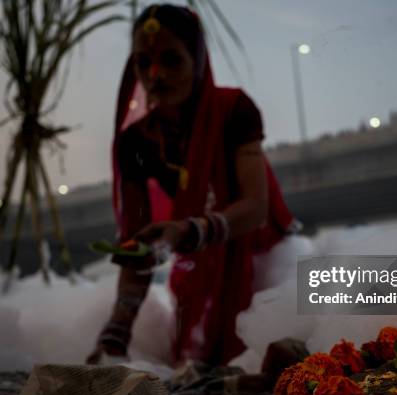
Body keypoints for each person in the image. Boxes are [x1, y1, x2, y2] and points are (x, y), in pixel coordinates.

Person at [87, 3, 297, 367]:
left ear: (197, 61)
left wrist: (188, 230)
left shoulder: (234, 110)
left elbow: (255, 208)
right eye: (143, 62)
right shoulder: (135, 142)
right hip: (201, 260)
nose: (155, 75)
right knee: (194, 369)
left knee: (273, 363)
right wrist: (115, 334)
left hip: (264, 260)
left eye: (171, 60)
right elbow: (137, 243)